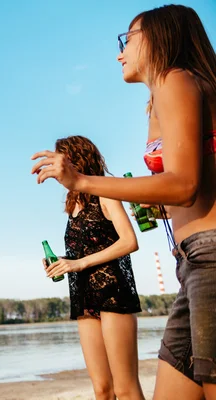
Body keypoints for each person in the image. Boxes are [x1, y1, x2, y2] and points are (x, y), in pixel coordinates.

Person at [31, 5, 216, 398]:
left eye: (126, 39)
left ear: (160, 37)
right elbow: (188, 186)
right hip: (192, 261)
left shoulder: (176, 80)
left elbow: (183, 183)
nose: (120, 53)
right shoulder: (160, 98)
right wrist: (161, 206)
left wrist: (83, 180)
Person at [43, 135, 144, 400]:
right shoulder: (73, 203)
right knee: (102, 389)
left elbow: (130, 241)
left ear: (75, 159)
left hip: (113, 292)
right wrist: (63, 262)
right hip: (84, 297)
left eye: (58, 161)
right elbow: (87, 248)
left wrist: (79, 263)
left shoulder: (106, 192)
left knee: (125, 389)